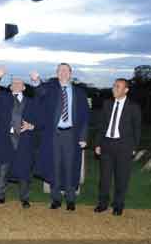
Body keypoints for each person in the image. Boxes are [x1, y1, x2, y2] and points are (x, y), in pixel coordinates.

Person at [32, 63, 89, 211]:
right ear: (57, 74)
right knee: (54, 167)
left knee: (71, 167)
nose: (62, 73)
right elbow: (40, 92)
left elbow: (84, 117)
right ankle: (56, 199)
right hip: (54, 135)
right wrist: (37, 81)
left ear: (70, 74)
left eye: (65, 70)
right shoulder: (51, 89)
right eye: (60, 71)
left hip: (72, 135)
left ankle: (70, 200)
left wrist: (83, 137)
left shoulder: (79, 93)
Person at [0, 66, 39, 208]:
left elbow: (39, 120)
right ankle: (0, 196)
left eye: (19, 83)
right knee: (3, 170)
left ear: (23, 87)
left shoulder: (31, 102)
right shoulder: (3, 98)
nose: (16, 85)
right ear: (10, 88)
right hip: (6, 139)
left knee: (24, 170)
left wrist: (32, 126)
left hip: (24, 141)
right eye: (13, 83)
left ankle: (25, 198)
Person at [94, 78, 141, 216]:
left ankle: (118, 205)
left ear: (126, 90)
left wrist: (134, 147)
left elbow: (137, 129)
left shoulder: (133, 107)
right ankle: (102, 204)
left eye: (118, 86)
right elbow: (101, 126)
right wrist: (97, 143)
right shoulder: (107, 104)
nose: (114, 88)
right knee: (104, 178)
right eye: (114, 86)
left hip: (124, 146)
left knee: (121, 178)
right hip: (107, 145)